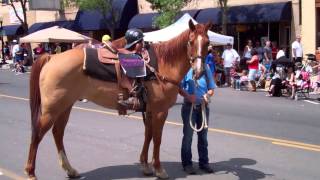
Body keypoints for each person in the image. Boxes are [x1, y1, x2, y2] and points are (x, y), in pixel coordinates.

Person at [179, 64, 215, 175]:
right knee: (188, 137)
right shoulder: (185, 67)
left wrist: (208, 95)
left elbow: (211, 88)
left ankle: (204, 162)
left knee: (203, 137)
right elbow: (179, 88)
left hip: (203, 107)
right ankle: (187, 164)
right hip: (189, 107)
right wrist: (188, 96)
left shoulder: (206, 67)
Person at [117, 28, 146, 110]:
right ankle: (133, 95)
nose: (143, 44)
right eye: (141, 41)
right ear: (136, 44)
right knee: (137, 65)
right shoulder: (133, 57)